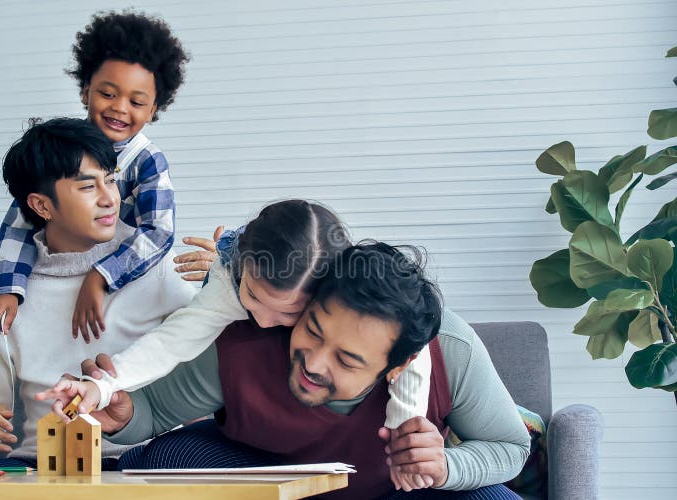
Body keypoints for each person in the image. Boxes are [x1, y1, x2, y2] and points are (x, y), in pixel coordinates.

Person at [40, 242, 530, 499]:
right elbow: (152, 411)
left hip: (391, 492)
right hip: (269, 481)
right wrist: (125, 414)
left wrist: (447, 465)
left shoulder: (451, 351)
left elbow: (512, 446)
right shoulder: (249, 335)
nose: (314, 363)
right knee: (156, 462)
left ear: (399, 365)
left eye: (348, 359)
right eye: (313, 330)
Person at [39, 200, 436, 488]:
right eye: (255, 299)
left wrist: (403, 430)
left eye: (287, 314)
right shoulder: (230, 283)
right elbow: (171, 341)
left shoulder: (385, 322)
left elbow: (413, 356)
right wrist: (102, 386)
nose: (263, 320)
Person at [0, 118, 196, 469]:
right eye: (88, 188)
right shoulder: (0, 291)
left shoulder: (153, 267)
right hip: (40, 463)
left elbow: (213, 358)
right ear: (42, 206)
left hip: (141, 460)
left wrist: (225, 274)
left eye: (111, 180)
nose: (110, 199)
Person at [0, 11, 190, 342]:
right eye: (108, 94)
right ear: (85, 91)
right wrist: (9, 288)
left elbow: (158, 232)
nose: (120, 108)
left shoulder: (147, 160)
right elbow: (19, 223)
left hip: (124, 286)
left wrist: (101, 275)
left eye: (136, 101)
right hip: (59, 276)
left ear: (153, 110)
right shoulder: (61, 151)